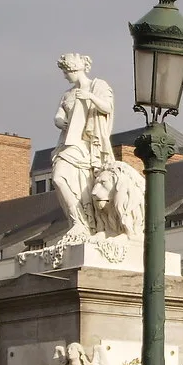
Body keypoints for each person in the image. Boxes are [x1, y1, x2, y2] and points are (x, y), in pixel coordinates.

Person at [51, 53, 115, 243]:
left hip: (87, 143)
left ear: (76, 69)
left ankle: (85, 222)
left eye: (67, 72)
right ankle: (77, 220)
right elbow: (58, 115)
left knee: (79, 182)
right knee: (59, 178)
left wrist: (90, 97)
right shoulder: (67, 94)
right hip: (68, 142)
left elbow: (107, 107)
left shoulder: (98, 85)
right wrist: (60, 121)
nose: (65, 76)